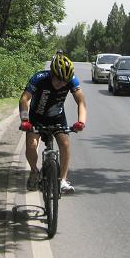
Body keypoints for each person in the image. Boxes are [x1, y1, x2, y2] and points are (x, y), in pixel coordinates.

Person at [18, 51, 87, 194]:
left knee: (65, 144)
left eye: (65, 81)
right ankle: (34, 171)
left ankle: (63, 180)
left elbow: (81, 101)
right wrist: (24, 120)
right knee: (31, 145)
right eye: (58, 80)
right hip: (36, 117)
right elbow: (24, 99)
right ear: (52, 74)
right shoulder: (39, 78)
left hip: (57, 117)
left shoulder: (72, 80)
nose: (61, 84)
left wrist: (81, 122)